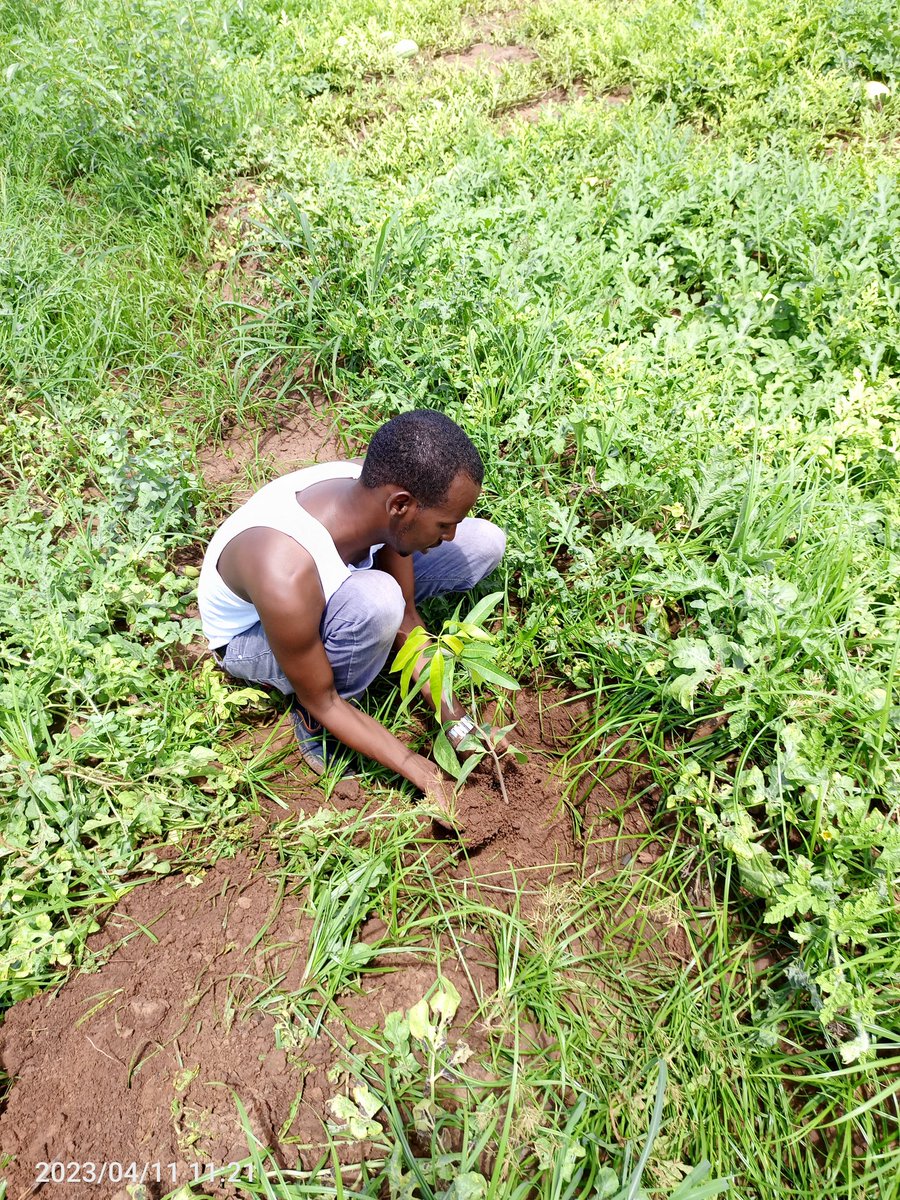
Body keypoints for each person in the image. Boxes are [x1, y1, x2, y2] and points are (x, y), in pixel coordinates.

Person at [197, 409, 506, 817]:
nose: (449, 536)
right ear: (402, 506)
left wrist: (457, 721)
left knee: (484, 542)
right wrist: (427, 774)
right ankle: (312, 727)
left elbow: (408, 620)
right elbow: (323, 698)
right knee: (377, 602)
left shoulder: (381, 499)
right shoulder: (284, 571)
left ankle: (361, 635)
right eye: (444, 524)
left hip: (333, 584)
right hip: (253, 637)